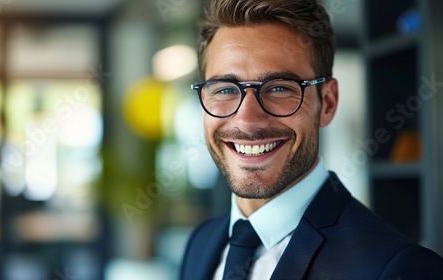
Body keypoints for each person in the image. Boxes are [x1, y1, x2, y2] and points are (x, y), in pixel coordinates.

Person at [179, 0, 443, 279]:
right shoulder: (201, 243)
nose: (247, 120)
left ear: (327, 103)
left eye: (279, 88)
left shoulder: (399, 268)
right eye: (224, 90)